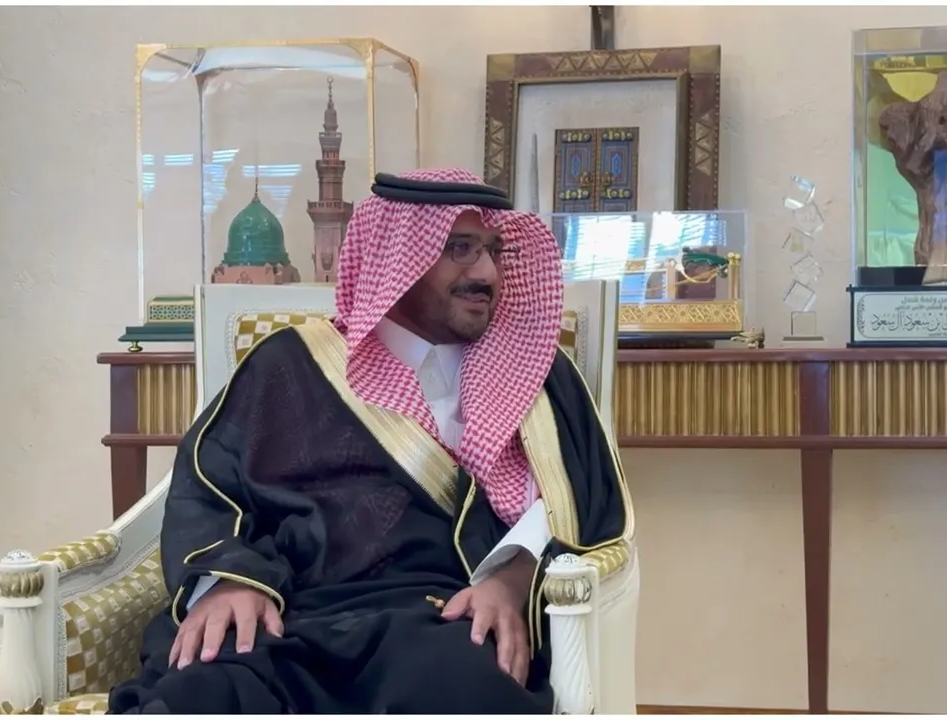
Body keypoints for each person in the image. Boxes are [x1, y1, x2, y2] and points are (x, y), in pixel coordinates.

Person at [108, 168, 632, 714]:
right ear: (396, 257)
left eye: (493, 251)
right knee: (200, 692)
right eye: (460, 248)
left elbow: (577, 503)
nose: (487, 273)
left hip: (437, 619)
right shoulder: (290, 363)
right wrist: (229, 582)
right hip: (287, 614)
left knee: (464, 688)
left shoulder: (537, 376)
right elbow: (209, 485)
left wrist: (510, 582)